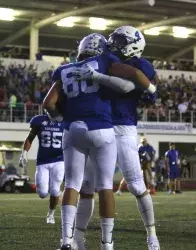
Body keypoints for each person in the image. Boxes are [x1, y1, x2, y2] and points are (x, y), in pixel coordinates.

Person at [43, 32, 157, 250]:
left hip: (109, 128)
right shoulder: (105, 60)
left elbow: (49, 103)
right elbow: (130, 82)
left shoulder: (68, 68)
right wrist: (150, 89)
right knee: (98, 187)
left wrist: (61, 118)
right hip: (101, 128)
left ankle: (150, 234)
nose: (115, 45)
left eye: (121, 41)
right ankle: (98, 243)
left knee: (80, 184)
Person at [19, 114, 64, 224]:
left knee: (54, 189)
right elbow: (30, 138)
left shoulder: (66, 120)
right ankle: (51, 187)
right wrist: (23, 154)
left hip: (59, 160)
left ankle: (51, 214)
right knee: (42, 193)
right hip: (43, 161)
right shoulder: (39, 120)